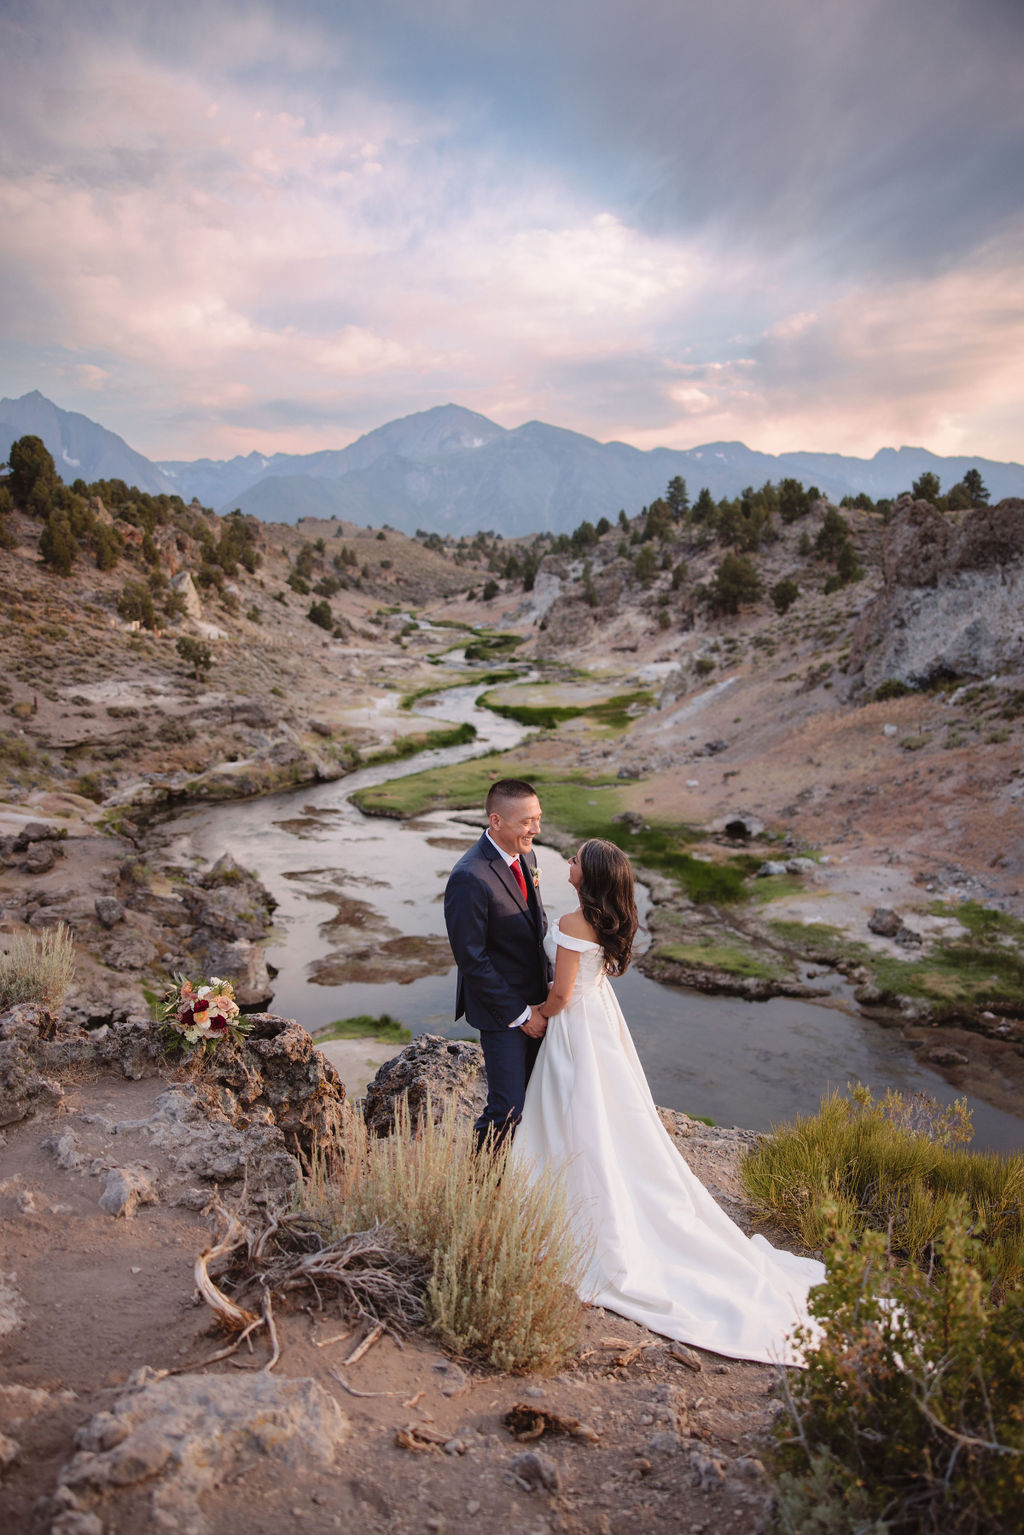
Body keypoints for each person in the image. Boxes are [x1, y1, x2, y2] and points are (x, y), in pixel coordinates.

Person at [514, 838, 826, 1367]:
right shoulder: (604, 919)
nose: (565, 862)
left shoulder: (572, 923)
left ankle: (571, 1204)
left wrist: (533, 1011)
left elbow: (562, 995)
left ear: (588, 873)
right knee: (606, 1110)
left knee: (576, 1109)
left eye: (573, 858)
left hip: (574, 1027)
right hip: (601, 1025)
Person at [443, 778, 553, 1152]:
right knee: (507, 1108)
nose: (536, 829)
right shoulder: (469, 877)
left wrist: (553, 989)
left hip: (541, 1002)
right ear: (496, 821)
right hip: (503, 1013)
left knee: (542, 1098)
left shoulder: (529, 857)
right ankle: (479, 1191)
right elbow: (472, 960)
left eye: (538, 818)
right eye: (527, 822)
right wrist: (523, 1015)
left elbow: (536, 927)